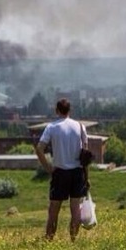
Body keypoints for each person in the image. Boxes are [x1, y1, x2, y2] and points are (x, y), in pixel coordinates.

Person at [35, 98, 89, 242]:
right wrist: (86, 177)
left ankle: (49, 240)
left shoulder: (51, 127)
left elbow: (39, 149)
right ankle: (73, 240)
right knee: (75, 209)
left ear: (56, 110)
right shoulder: (80, 126)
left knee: (54, 210)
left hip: (59, 172)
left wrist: (48, 167)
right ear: (70, 110)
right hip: (77, 172)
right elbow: (85, 155)